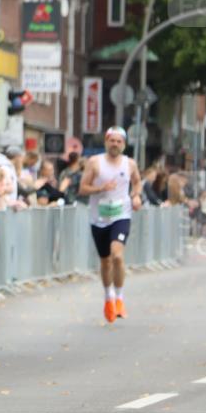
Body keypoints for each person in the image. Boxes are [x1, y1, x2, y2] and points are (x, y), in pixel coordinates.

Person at [78, 126, 143, 323]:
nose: (115, 144)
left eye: (119, 141)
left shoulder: (129, 164)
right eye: (112, 140)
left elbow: (137, 182)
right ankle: (109, 298)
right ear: (106, 142)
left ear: (124, 144)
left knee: (117, 256)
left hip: (121, 215)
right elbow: (82, 189)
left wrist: (137, 195)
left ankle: (120, 297)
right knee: (105, 261)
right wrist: (100, 189)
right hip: (99, 218)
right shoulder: (95, 163)